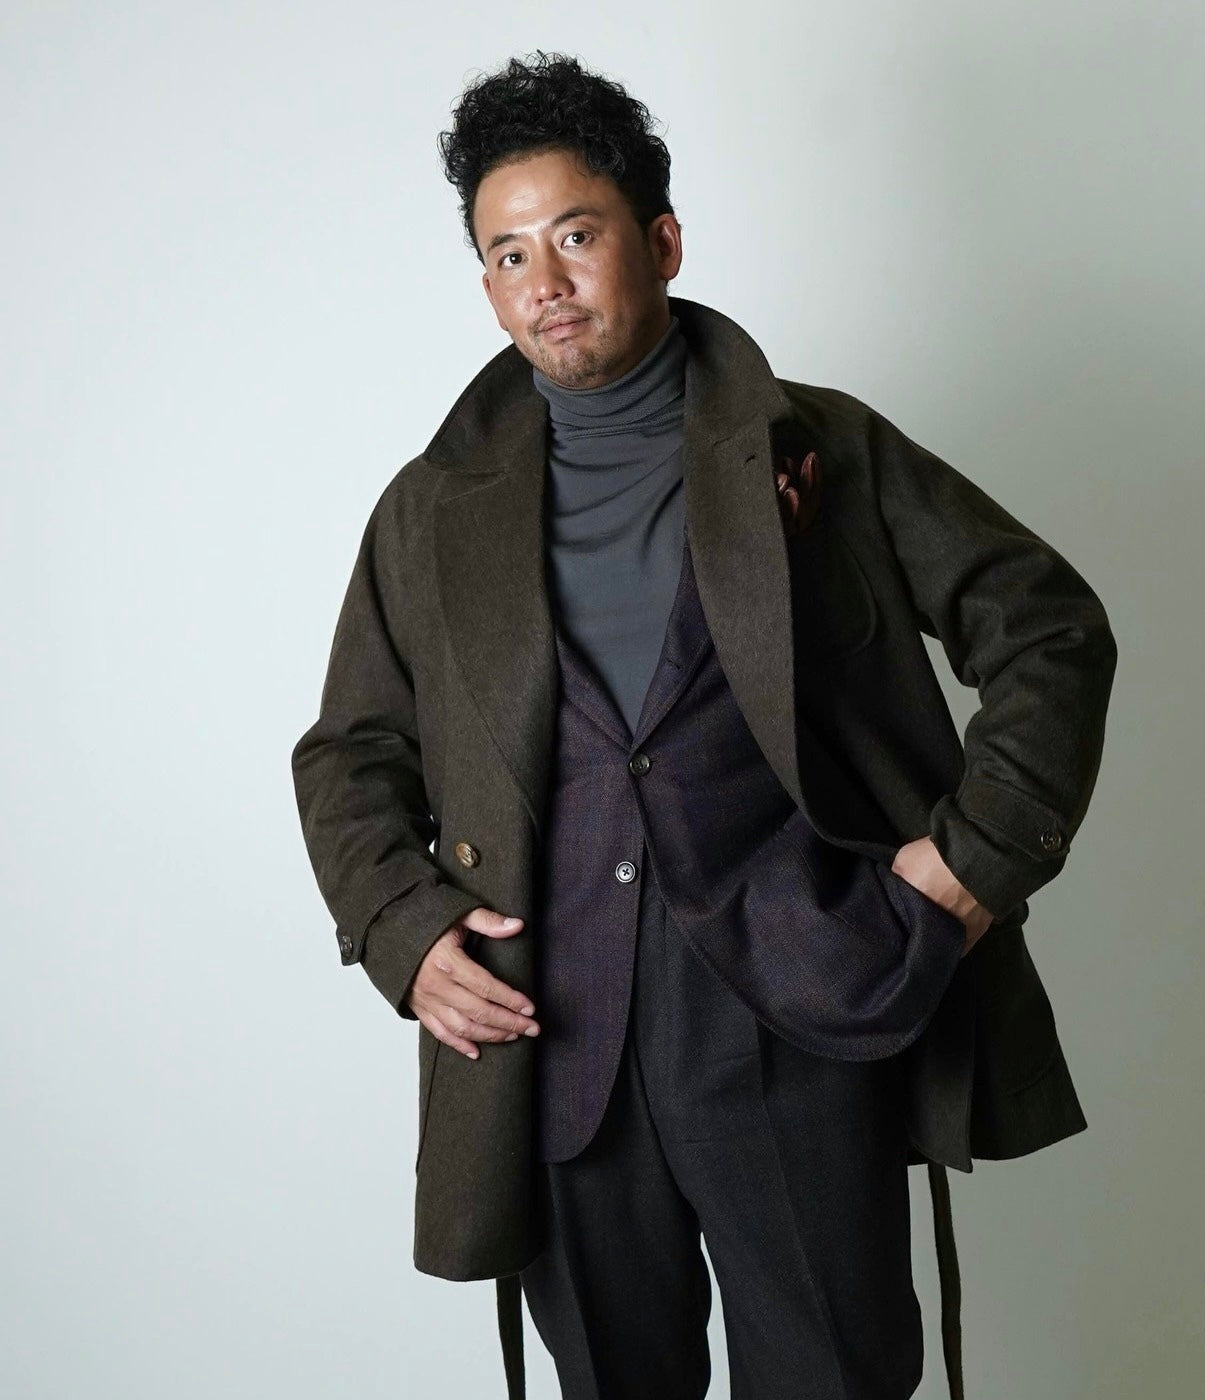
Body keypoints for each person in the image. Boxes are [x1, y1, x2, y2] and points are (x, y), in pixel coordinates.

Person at [290, 49, 1117, 1400]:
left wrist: (972, 864)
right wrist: (403, 927)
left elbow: (1048, 630)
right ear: (487, 285)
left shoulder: (821, 448)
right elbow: (351, 753)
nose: (544, 282)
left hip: (804, 1012)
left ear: (661, 241)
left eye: (576, 236)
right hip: (552, 1044)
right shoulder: (430, 512)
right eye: (507, 255)